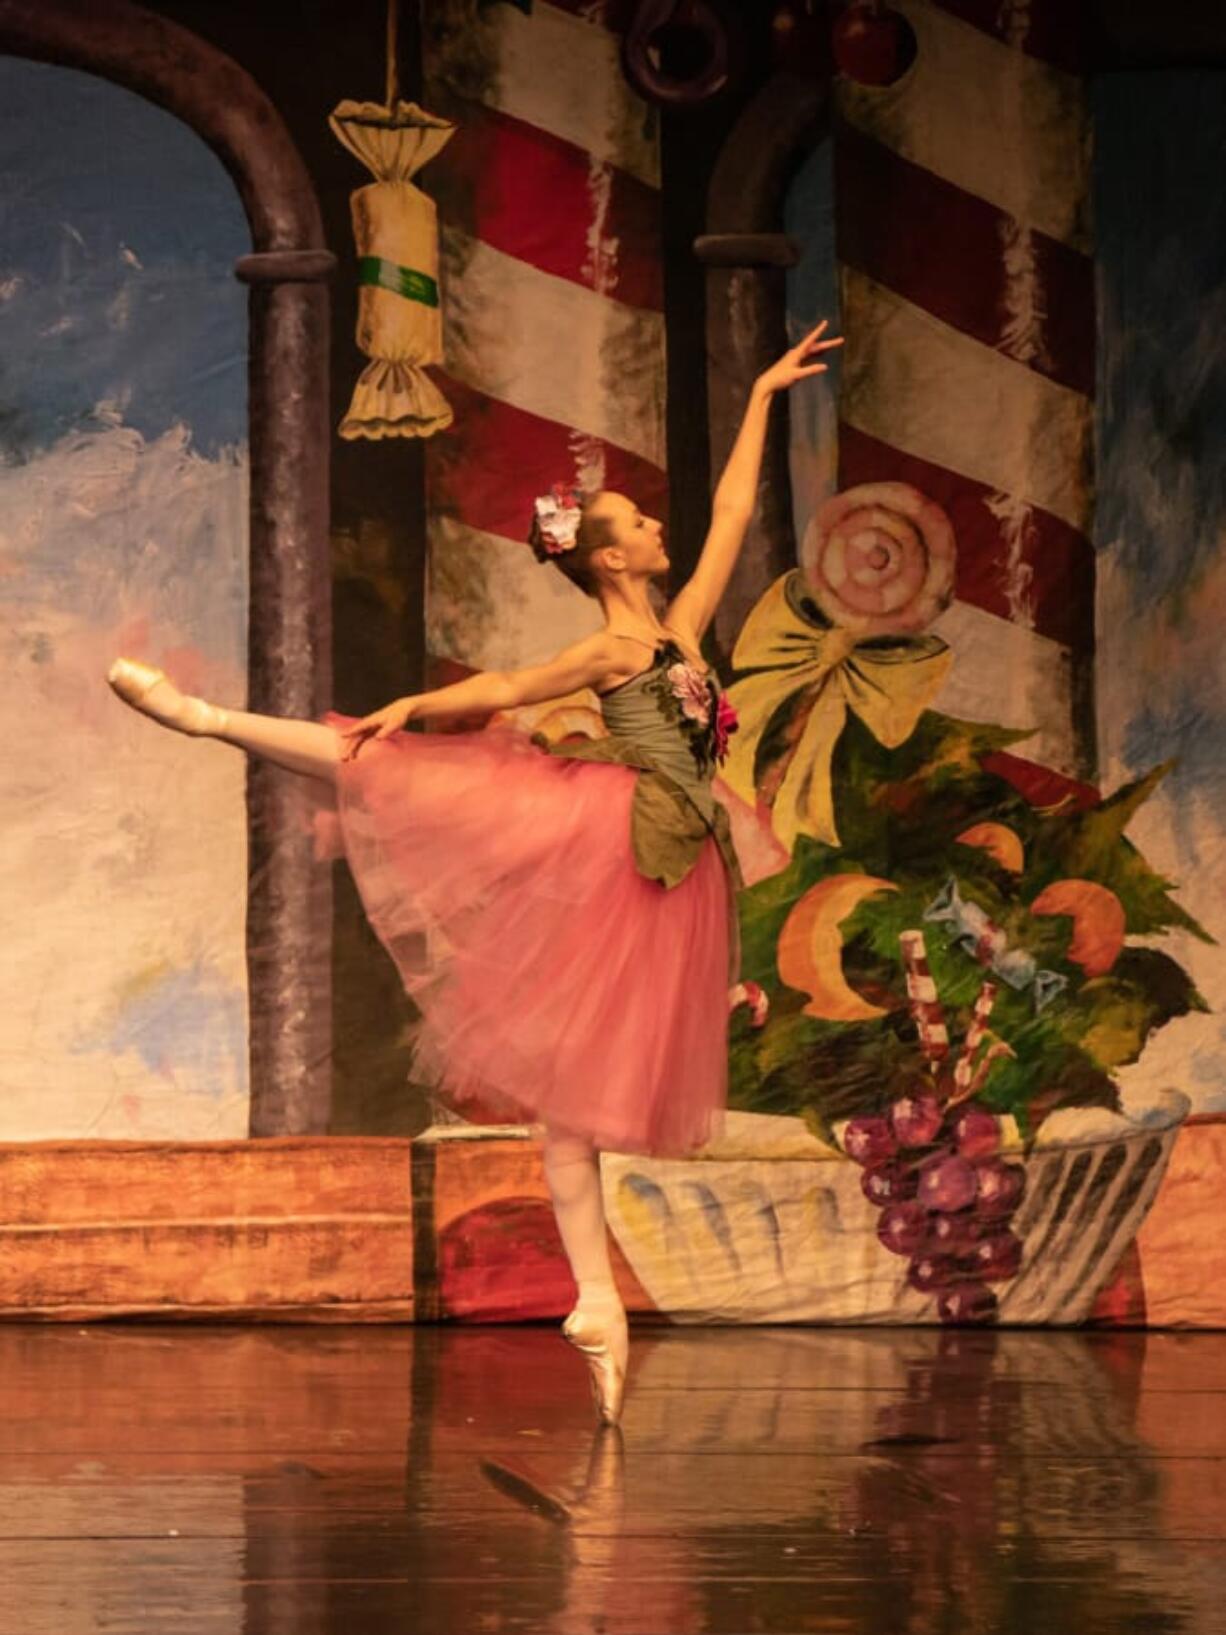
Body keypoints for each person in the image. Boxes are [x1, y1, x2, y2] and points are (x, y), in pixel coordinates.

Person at [106, 319, 842, 1425]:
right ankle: (208, 718)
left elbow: (736, 513)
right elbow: (502, 685)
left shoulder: (683, 628)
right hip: (606, 837)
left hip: (674, 865)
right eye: (638, 522)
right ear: (608, 558)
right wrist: (414, 705)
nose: (658, 527)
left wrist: (762, 396)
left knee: (574, 1102)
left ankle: (597, 1303)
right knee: (398, 770)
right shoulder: (611, 651)